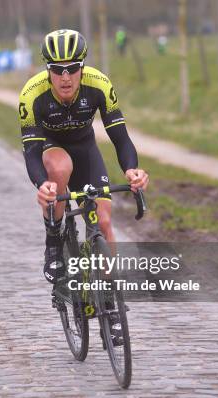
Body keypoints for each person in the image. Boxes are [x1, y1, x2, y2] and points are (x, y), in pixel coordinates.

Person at [18, 29, 149, 283]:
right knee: (60, 166)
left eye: (73, 68)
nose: (65, 77)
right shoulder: (31, 95)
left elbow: (120, 137)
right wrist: (42, 184)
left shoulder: (99, 84)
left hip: (85, 148)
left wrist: (132, 169)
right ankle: (54, 240)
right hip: (51, 147)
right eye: (57, 69)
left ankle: (111, 298)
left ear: (83, 66)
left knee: (103, 222)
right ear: (48, 69)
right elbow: (31, 151)